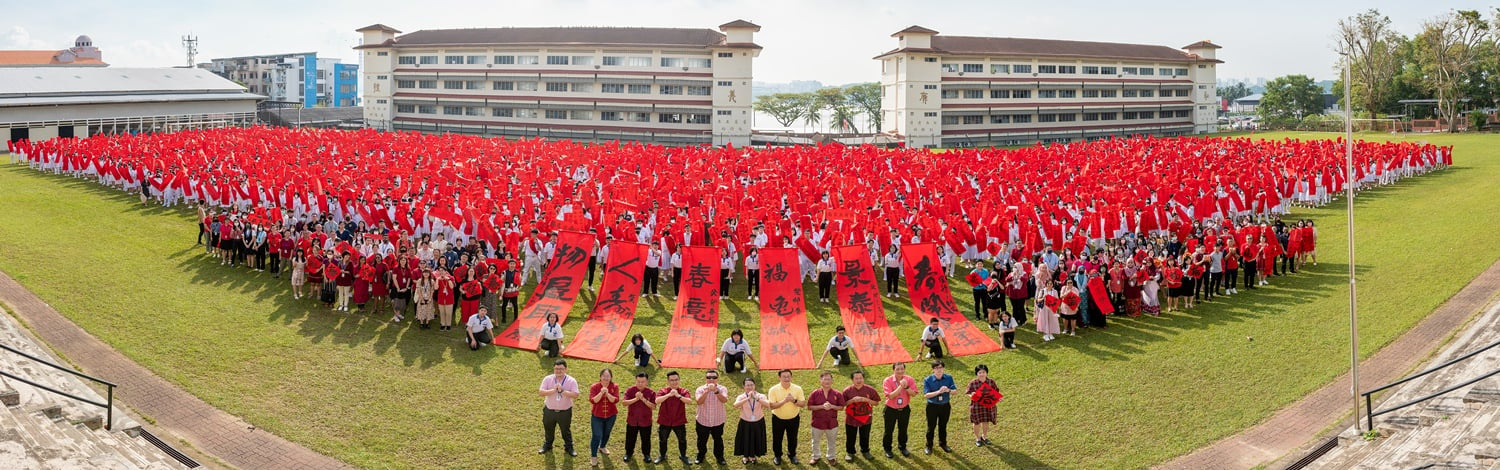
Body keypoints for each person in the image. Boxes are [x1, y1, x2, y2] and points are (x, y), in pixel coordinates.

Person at [538, 359, 579, 457]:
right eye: (556, 369)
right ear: (553, 369)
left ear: (566, 369)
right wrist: (553, 390)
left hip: (564, 412)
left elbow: (575, 395)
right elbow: (541, 392)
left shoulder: (571, 380)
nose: (558, 371)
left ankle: (569, 447)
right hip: (549, 410)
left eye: (561, 369)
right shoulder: (548, 379)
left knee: (565, 430)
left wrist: (563, 391)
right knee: (548, 429)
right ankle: (548, 445)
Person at [655, 371, 694, 465]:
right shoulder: (663, 391)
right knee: (663, 440)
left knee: (682, 440)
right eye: (671, 380)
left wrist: (678, 396)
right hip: (665, 421)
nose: (674, 382)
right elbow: (657, 401)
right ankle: (662, 456)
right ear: (668, 381)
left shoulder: (684, 391)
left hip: (679, 421)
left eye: (676, 380)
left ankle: (683, 455)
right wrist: (669, 395)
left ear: (679, 380)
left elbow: (689, 401)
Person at [767, 369, 805, 465]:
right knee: (777, 438)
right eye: (784, 376)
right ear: (779, 377)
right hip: (778, 418)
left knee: (792, 438)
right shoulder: (773, 390)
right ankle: (777, 455)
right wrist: (784, 400)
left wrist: (793, 400)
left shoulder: (798, 389)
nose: (786, 378)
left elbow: (803, 404)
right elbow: (772, 405)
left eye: (788, 376)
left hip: (794, 418)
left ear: (791, 377)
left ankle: (792, 455)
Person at [808, 370, 845, 464]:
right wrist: (821, 406)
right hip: (817, 422)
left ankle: (831, 457)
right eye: (825, 379)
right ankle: (816, 456)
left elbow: (841, 407)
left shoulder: (837, 394)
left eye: (829, 379)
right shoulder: (815, 393)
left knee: (831, 441)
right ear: (820, 381)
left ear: (832, 381)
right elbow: (809, 407)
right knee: (815, 441)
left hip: (832, 423)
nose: (827, 381)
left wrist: (832, 406)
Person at [841, 370, 879, 461]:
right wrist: (852, 401)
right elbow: (842, 404)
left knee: (865, 435)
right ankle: (850, 452)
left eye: (860, 378)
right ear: (852, 380)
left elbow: (876, 402)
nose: (859, 380)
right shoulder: (847, 391)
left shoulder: (870, 389)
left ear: (863, 379)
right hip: (851, 418)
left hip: (866, 418)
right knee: (850, 436)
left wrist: (865, 399)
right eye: (856, 378)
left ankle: (865, 451)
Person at [694, 369, 730, 465]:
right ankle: (701, 455)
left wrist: (716, 391)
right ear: (706, 379)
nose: (711, 379)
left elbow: (724, 400)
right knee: (701, 440)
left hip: (718, 420)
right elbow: (699, 402)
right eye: (709, 377)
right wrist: (706, 392)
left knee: (718, 440)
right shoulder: (700, 389)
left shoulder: (722, 389)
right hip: (703, 420)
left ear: (717, 379)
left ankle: (719, 457)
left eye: (714, 377)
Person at [882, 362, 916, 458]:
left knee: (903, 429)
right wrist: (901, 386)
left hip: (904, 409)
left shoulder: (909, 379)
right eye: (897, 369)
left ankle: (902, 447)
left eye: (902, 369)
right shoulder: (888, 381)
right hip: (891, 409)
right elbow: (891, 396)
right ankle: (887, 449)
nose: (900, 371)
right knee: (889, 430)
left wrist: (907, 387)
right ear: (893, 370)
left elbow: (913, 394)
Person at [621, 373, 657, 463]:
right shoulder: (630, 390)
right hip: (632, 420)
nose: (640, 384)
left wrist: (643, 399)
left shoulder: (651, 392)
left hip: (645, 421)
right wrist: (636, 399)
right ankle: (628, 453)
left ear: (647, 382)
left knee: (646, 438)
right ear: (635, 381)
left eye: (642, 382)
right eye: (638, 381)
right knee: (630, 438)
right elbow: (624, 403)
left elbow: (654, 407)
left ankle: (646, 454)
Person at [921, 361, 955, 454]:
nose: (939, 370)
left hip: (945, 406)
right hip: (932, 406)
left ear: (943, 368)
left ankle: (943, 443)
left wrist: (948, 390)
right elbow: (926, 395)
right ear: (933, 370)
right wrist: (938, 392)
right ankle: (929, 445)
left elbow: (954, 391)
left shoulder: (948, 378)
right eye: (936, 368)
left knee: (943, 426)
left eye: (940, 367)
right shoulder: (928, 380)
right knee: (931, 427)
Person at [733, 377, 770, 464]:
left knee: (756, 439)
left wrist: (756, 398)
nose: (749, 387)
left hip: (758, 421)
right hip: (745, 422)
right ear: (744, 386)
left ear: (754, 385)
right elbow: (735, 405)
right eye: (747, 385)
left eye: (751, 385)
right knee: (745, 439)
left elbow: (768, 405)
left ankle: (753, 456)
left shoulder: (760, 396)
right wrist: (747, 398)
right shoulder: (741, 396)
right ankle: (745, 456)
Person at [588, 369, 621, 466]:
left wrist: (607, 393)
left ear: (611, 377)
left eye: (608, 376)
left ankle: (602, 446)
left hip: (611, 415)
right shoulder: (595, 387)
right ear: (600, 377)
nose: (606, 378)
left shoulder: (614, 386)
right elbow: (593, 400)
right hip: (597, 416)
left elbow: (615, 400)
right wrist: (601, 393)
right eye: (604, 375)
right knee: (597, 435)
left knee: (607, 433)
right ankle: (593, 456)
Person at [965, 364, 1002, 447]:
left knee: (986, 421)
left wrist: (999, 398)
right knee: (976, 423)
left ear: (986, 373)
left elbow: (996, 392)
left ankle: (984, 436)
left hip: (988, 406)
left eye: (983, 372)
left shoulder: (991, 382)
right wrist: (972, 395)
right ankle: (977, 438)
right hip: (977, 407)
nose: (982, 374)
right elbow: (968, 393)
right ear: (977, 374)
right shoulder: (973, 383)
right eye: (980, 372)